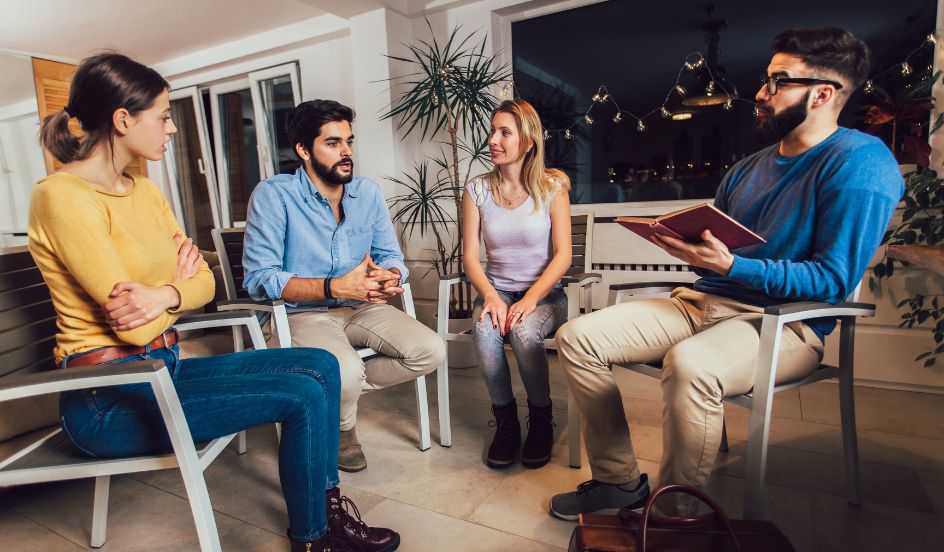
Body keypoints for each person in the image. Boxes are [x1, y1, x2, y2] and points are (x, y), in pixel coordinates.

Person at [28, 53, 398, 552]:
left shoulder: (144, 193)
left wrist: (166, 292)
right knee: (302, 394)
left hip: (164, 368)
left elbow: (207, 284)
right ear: (123, 120)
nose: (172, 129)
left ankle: (328, 513)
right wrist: (177, 285)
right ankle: (314, 537)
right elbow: (132, 328)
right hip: (108, 398)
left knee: (319, 366)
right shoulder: (62, 197)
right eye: (162, 116)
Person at [548, 27, 904, 519]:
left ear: (823, 93)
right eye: (766, 78)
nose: (761, 92)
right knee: (577, 337)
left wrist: (735, 265)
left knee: (691, 365)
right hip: (700, 303)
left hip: (788, 323)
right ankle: (619, 482)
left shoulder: (860, 162)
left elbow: (831, 280)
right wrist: (693, 250)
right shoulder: (746, 169)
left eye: (779, 81)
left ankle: (676, 515)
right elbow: (721, 247)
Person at [242, 99, 446, 473]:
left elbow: (391, 255)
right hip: (301, 316)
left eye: (349, 142)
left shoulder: (366, 193)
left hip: (362, 308)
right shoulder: (274, 196)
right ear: (304, 150)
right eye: (333, 143)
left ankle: (327, 398)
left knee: (431, 351)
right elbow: (259, 280)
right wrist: (335, 286)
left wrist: (391, 275)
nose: (346, 152)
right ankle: (343, 427)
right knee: (345, 372)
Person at [463, 99, 572, 469]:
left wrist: (531, 299)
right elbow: (469, 258)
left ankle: (541, 418)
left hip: (546, 295)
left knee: (525, 332)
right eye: (493, 130)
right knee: (483, 330)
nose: (493, 139)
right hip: (497, 291)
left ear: (527, 142)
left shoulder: (553, 187)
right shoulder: (476, 189)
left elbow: (563, 256)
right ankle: (506, 423)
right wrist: (492, 297)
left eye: (504, 132)